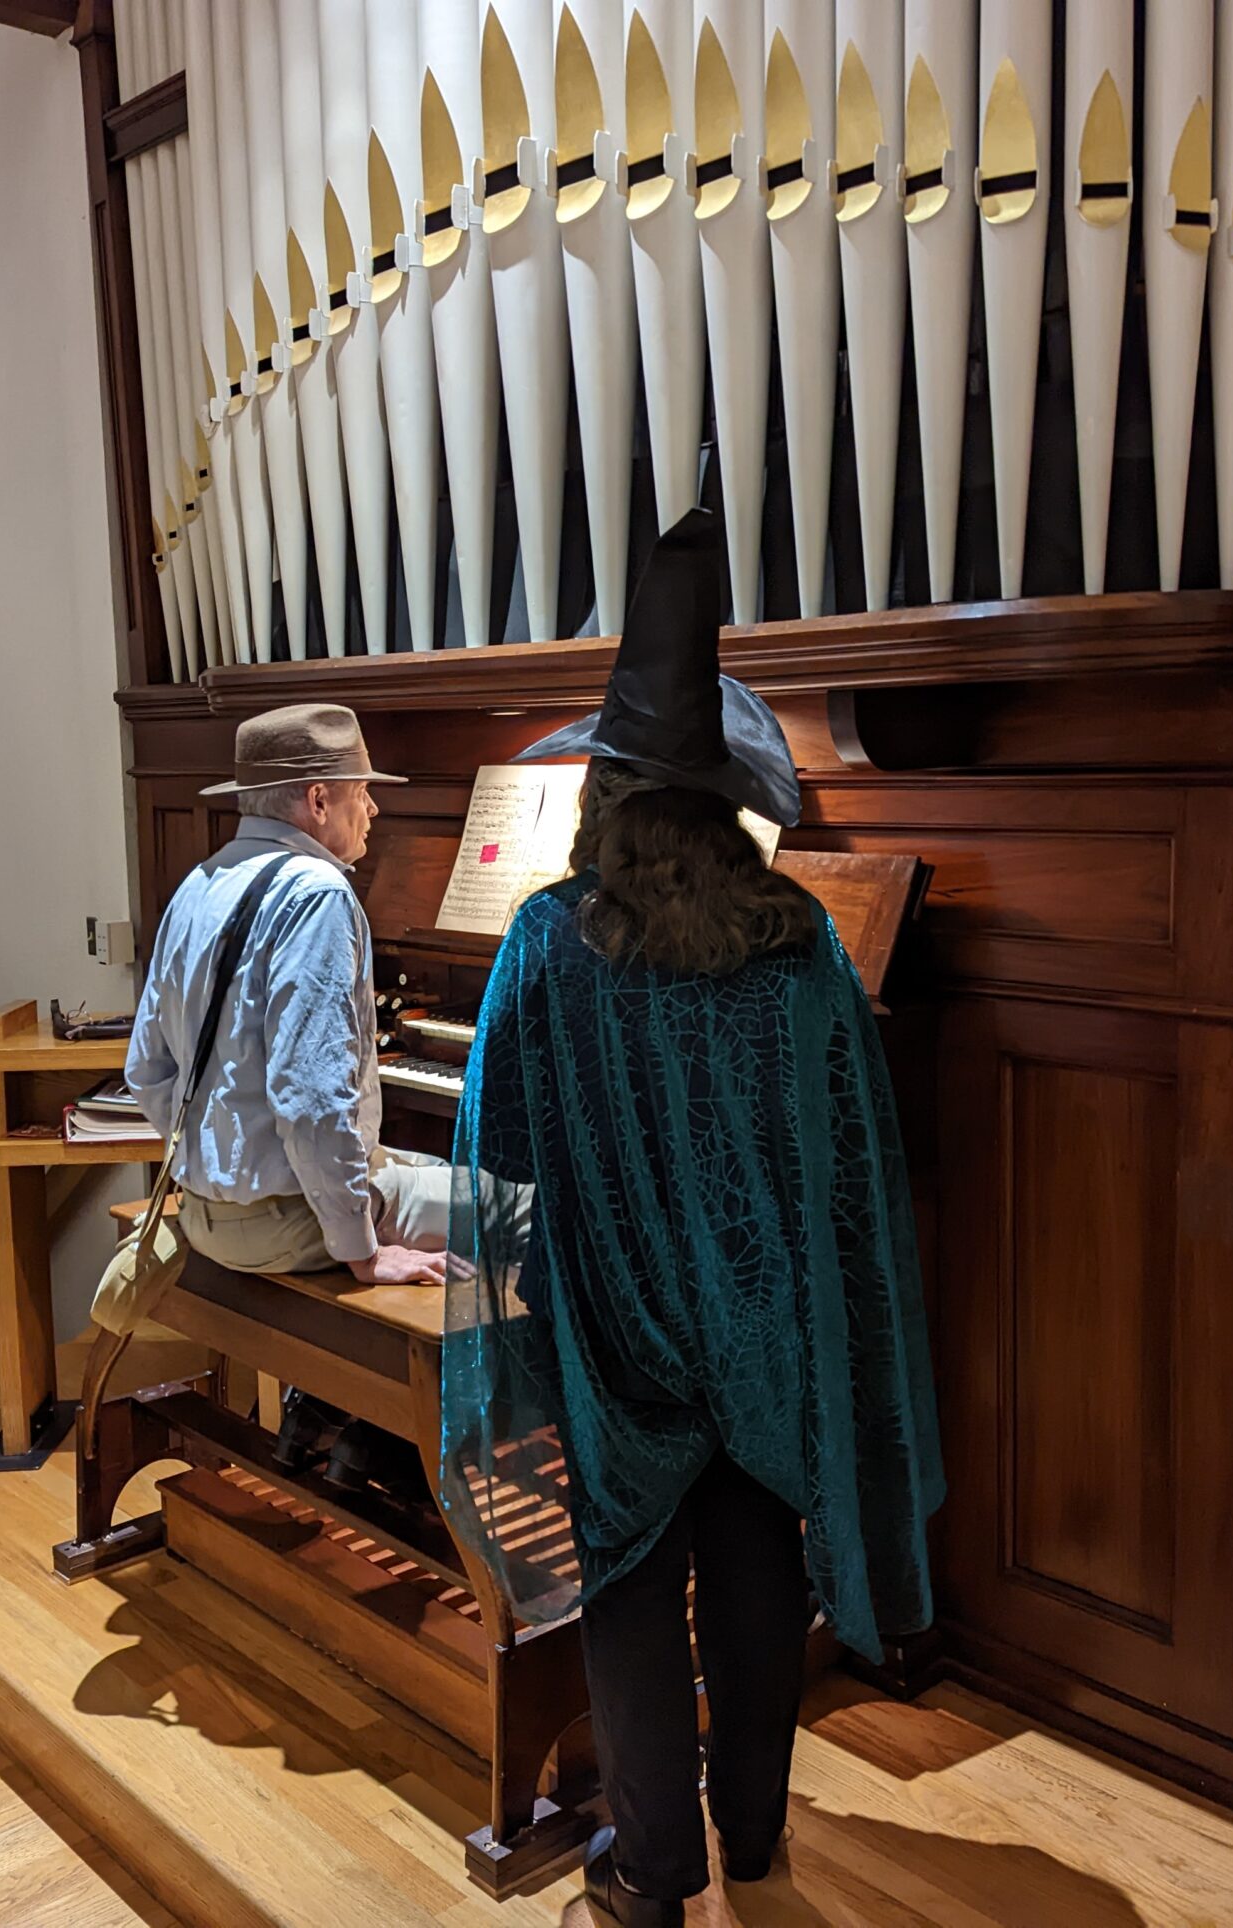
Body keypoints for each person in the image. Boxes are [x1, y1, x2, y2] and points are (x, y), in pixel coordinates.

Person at [441, 513, 944, 1927]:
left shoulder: (550, 939)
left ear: (607, 797)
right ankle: (760, 1835)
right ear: (728, 801)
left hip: (615, 1344)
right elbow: (849, 1165)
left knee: (627, 1587)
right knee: (751, 1574)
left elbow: (500, 1160)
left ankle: (652, 1875)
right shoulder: (800, 948)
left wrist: (549, 1317)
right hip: (766, 1337)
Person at [106, 701, 445, 1490]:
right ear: (318, 800)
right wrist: (359, 1251)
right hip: (288, 1227)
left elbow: (146, 1070)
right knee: (518, 1210)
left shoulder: (201, 883)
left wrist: (214, 1168)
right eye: (361, 789)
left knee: (422, 1165)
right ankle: (404, 1447)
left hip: (204, 1214)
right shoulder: (319, 896)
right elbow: (312, 1103)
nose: (374, 806)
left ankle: (331, 1415)